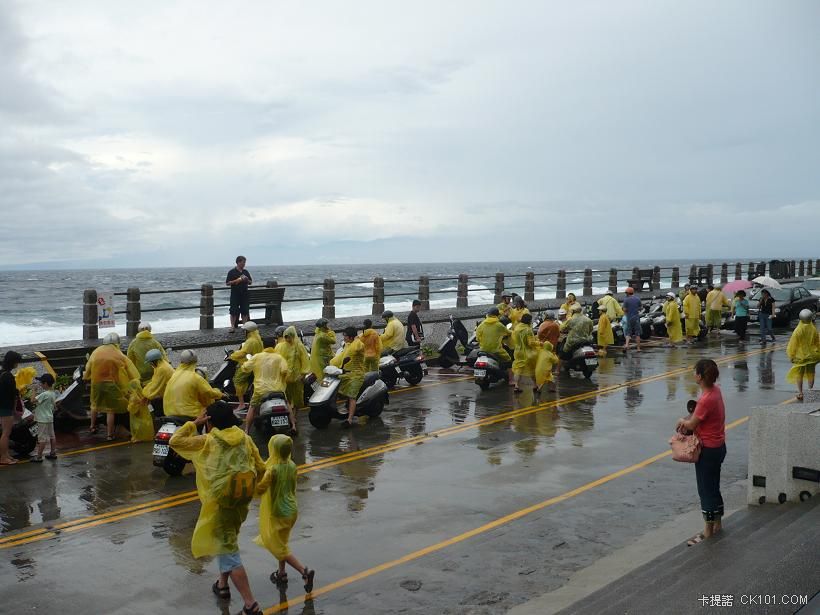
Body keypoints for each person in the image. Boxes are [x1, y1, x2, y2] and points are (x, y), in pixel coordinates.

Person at [169, 401, 266, 615]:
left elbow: (175, 441)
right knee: (227, 539)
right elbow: (261, 468)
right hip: (241, 501)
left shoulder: (208, 441)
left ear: (209, 422)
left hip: (220, 502)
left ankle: (251, 604)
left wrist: (194, 423)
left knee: (228, 550)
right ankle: (222, 585)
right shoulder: (246, 439)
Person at [255, 434, 315, 593]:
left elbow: (260, 489)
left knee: (277, 546)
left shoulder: (272, 470)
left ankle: (304, 572)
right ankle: (281, 573)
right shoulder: (292, 465)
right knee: (282, 541)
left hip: (278, 512)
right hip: (292, 510)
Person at [676, 359, 726, 546]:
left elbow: (691, 424)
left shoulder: (705, 399)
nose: (693, 374)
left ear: (699, 376)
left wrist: (682, 420)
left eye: (694, 371)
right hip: (719, 446)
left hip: (708, 450)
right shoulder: (716, 391)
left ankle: (707, 531)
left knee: (705, 489)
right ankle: (718, 524)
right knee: (714, 485)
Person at [84, 332, 141, 441]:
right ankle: (110, 435)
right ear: (116, 343)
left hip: (96, 383)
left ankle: (92, 427)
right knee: (110, 410)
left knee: (94, 404)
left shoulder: (96, 352)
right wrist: (135, 380)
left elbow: (88, 367)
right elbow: (131, 370)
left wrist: (86, 377)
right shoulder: (119, 354)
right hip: (112, 384)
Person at [163, 350, 224, 420]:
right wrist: (221, 394)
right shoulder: (195, 377)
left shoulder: (174, 374)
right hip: (189, 414)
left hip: (169, 413)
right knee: (209, 414)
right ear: (195, 362)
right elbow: (208, 392)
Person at [241, 347, 290, 434]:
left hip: (260, 389)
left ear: (263, 346)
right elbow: (284, 371)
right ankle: (293, 426)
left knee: (252, 407)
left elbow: (246, 367)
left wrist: (244, 365)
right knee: (286, 403)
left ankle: (247, 430)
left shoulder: (257, 357)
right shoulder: (279, 357)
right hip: (278, 389)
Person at [331, 327, 366, 428]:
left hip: (356, 375)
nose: (344, 338)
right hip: (346, 373)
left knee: (352, 396)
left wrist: (356, 339)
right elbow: (341, 357)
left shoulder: (358, 344)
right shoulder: (347, 345)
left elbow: (357, 348)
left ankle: (349, 420)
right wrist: (331, 362)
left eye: (345, 336)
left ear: (351, 337)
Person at [786, 309, 820, 401]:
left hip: (800, 356)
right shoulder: (813, 329)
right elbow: (817, 342)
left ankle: (801, 393)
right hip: (812, 356)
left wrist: (791, 355)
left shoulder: (798, 330)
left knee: (799, 375)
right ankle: (810, 391)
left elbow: (793, 344)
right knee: (811, 374)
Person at [275, 326, 310, 412]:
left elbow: (305, 360)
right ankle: (290, 415)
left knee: (297, 397)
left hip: (297, 377)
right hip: (285, 378)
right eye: (286, 337)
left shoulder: (299, 346)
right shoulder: (280, 346)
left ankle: (294, 415)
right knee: (286, 397)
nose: (287, 339)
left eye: (289, 337)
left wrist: (303, 374)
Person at [230, 321, 264, 412]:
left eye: (244, 330)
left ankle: (241, 404)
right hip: (257, 363)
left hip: (249, 364)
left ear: (248, 331)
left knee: (237, 380)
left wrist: (232, 355)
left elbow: (242, 353)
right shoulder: (258, 338)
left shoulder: (250, 341)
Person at [476, 307, 513, 384]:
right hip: (496, 350)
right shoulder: (498, 325)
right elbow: (508, 332)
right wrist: (514, 332)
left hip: (483, 350)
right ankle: (511, 380)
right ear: (496, 315)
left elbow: (477, 338)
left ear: (488, 315)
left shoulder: (481, 325)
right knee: (509, 360)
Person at [0, 351, 23, 464]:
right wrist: (15, 409)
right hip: (6, 407)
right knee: (6, 433)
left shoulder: (1, 373)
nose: (17, 364)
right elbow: (13, 394)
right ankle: (3, 458)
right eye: (17, 362)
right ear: (13, 362)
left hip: (2, 406)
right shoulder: (8, 376)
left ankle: (7, 455)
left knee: (6, 432)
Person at [29, 373, 58, 462]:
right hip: (49, 418)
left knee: (42, 438)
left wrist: (34, 390)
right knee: (52, 436)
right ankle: (52, 453)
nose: (40, 384)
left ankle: (39, 456)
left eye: (41, 383)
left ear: (45, 383)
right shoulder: (52, 393)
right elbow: (55, 406)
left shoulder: (44, 394)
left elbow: (32, 400)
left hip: (42, 419)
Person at [140, 348, 174, 414]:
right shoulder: (160, 365)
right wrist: (146, 388)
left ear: (154, 361)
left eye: (150, 362)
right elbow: (154, 381)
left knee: (155, 402)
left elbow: (155, 386)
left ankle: (161, 418)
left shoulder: (162, 369)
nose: (150, 364)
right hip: (167, 391)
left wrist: (145, 395)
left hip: (170, 395)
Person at [512, 313, 539, 392]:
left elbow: (513, 338)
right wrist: (539, 343)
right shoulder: (528, 330)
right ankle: (535, 385)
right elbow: (530, 343)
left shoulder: (517, 328)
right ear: (529, 321)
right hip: (527, 352)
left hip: (517, 351)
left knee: (518, 369)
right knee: (531, 368)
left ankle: (516, 385)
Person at [226, 256, 253, 333]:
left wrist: (246, 279)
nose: (244, 264)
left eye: (244, 262)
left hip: (244, 294)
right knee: (233, 310)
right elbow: (227, 283)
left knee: (244, 311)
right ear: (238, 262)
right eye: (242, 262)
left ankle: (245, 326)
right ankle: (232, 327)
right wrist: (237, 280)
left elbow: (250, 282)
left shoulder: (245, 272)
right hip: (235, 294)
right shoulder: (231, 272)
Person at [622, 287, 643, 352]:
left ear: (627, 293)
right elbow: (641, 308)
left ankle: (627, 345)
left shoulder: (626, 300)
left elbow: (625, 309)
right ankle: (638, 348)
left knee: (628, 333)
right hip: (636, 318)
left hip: (629, 318)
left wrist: (624, 310)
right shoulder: (637, 299)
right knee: (637, 333)